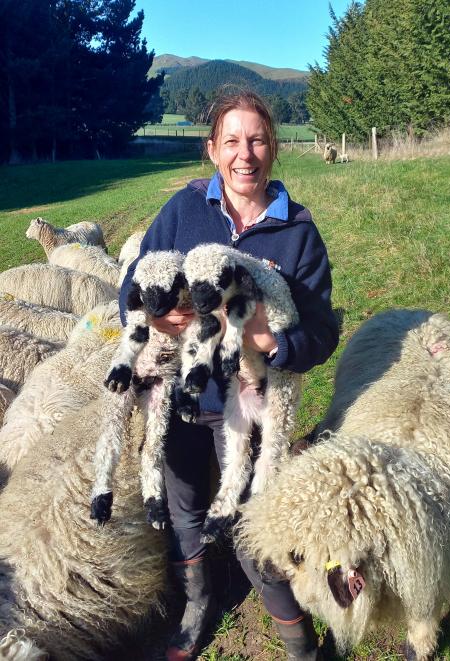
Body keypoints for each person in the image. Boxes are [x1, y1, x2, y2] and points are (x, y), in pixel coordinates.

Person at [119, 89, 339, 661]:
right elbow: (135, 281)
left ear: (274, 148)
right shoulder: (183, 210)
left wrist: (272, 341)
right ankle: (198, 604)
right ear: (213, 149)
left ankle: (293, 631)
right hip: (182, 394)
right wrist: (152, 314)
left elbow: (321, 332)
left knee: (253, 523)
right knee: (185, 505)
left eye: (258, 139)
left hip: (252, 402)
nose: (246, 154)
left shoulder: (298, 233)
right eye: (233, 141)